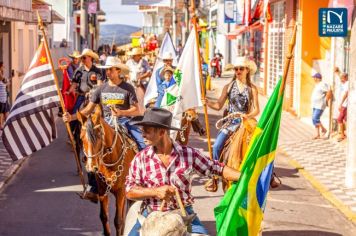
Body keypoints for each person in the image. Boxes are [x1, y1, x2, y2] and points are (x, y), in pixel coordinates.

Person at [125, 107, 241, 236]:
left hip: (184, 215)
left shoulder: (189, 154)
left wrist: (244, 176)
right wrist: (155, 192)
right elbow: (130, 191)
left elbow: (217, 168)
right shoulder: (140, 158)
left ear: (162, 132)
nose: (142, 135)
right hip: (151, 215)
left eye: (146, 131)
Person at [63, 56, 145, 203]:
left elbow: (137, 110)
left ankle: (144, 180)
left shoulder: (128, 88)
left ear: (118, 70)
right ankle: (93, 188)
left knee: (142, 145)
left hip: (125, 121)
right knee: (91, 151)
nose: (108, 72)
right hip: (106, 122)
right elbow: (88, 110)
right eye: (106, 70)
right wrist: (72, 117)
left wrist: (121, 112)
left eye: (111, 70)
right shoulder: (101, 88)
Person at [204, 57, 260, 162]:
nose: (238, 71)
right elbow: (218, 105)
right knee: (216, 146)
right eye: (236, 69)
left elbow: (257, 110)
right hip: (230, 122)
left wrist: (247, 116)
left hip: (245, 122)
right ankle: (217, 171)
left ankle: (265, 174)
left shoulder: (252, 89)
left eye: (241, 68)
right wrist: (207, 103)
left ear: (247, 70)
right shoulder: (228, 87)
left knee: (260, 145)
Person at [67, 49, 104, 114]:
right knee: (74, 114)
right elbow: (74, 83)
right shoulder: (78, 70)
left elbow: (99, 85)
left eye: (84, 57)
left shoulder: (97, 70)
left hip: (93, 98)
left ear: (90, 57)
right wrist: (69, 92)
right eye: (81, 58)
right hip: (81, 97)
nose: (82, 60)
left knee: (97, 116)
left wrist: (93, 93)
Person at [126, 48, 152, 112]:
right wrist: (131, 78)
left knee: (144, 97)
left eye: (137, 55)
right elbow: (125, 73)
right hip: (131, 83)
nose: (134, 56)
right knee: (130, 97)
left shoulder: (144, 62)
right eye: (134, 55)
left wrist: (140, 77)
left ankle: (143, 109)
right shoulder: (129, 62)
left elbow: (149, 72)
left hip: (142, 82)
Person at [310, 72, 331, 140]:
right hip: (315, 105)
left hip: (320, 105)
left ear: (317, 78)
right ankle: (317, 134)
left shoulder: (322, 84)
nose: (314, 79)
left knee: (315, 118)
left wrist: (326, 101)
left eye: (314, 77)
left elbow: (329, 91)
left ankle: (324, 129)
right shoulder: (317, 85)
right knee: (314, 119)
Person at [336, 73, 348, 142]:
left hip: (344, 104)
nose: (341, 80)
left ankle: (342, 135)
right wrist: (337, 73)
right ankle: (344, 133)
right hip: (343, 104)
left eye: (342, 78)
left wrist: (341, 103)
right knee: (344, 119)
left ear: (346, 77)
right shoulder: (344, 83)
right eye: (340, 78)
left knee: (339, 119)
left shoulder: (347, 83)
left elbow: (346, 94)